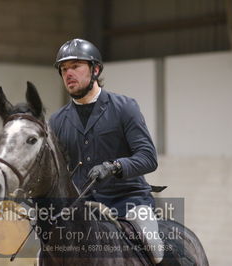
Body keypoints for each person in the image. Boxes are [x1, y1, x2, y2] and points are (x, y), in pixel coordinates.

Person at [49, 38, 164, 264]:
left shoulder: (124, 107)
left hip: (128, 201)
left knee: (156, 249)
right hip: (82, 208)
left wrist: (115, 167)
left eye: (75, 67)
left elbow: (148, 158)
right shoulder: (57, 121)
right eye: (63, 69)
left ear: (96, 69)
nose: (68, 74)